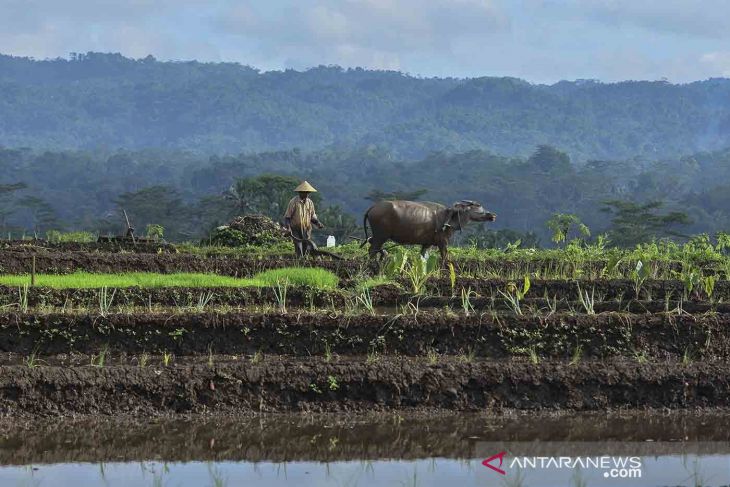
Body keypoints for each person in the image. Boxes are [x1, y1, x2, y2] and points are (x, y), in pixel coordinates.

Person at [283, 181, 325, 257]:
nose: (306, 194)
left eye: (307, 192)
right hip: (295, 228)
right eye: (304, 192)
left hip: (306, 228)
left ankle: (304, 261)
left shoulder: (310, 203)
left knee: (306, 247)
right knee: (299, 246)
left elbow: (312, 217)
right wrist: (288, 228)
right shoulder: (293, 202)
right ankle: (299, 261)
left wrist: (318, 223)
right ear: (299, 192)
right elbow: (287, 217)